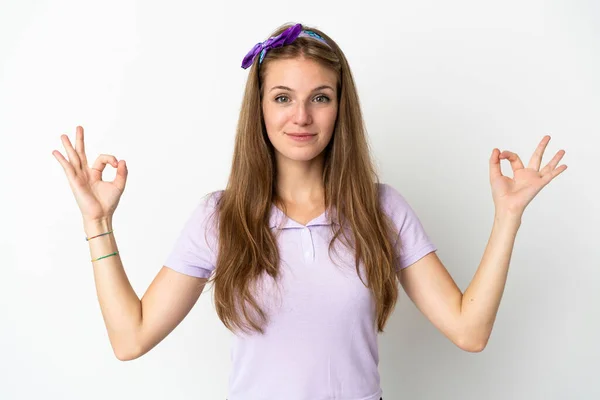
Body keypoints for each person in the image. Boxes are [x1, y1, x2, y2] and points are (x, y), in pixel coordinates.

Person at [52, 22, 567, 400]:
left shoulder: (381, 210)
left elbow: (468, 330)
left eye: (320, 97)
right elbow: (130, 337)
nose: (301, 116)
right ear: (260, 108)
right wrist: (96, 221)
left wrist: (508, 216)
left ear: (341, 107)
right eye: (282, 97)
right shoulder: (220, 218)